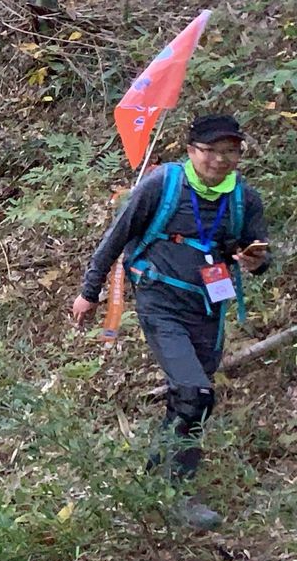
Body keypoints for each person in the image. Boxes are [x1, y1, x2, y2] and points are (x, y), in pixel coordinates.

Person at [71, 114, 271, 531]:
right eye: (211, 150)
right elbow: (116, 236)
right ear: (191, 150)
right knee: (197, 391)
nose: (220, 160)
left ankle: (153, 479)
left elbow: (257, 256)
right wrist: (90, 292)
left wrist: (255, 260)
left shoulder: (243, 199)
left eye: (230, 151)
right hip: (160, 299)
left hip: (209, 309)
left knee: (189, 395)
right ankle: (178, 494)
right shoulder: (163, 186)